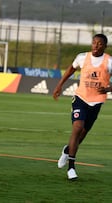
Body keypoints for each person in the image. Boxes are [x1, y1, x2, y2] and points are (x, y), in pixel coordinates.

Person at [53, 33, 112, 180]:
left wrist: (108, 89)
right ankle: (71, 168)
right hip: (81, 98)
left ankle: (67, 150)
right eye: (94, 43)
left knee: (82, 135)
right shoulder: (82, 57)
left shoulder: (109, 61)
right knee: (77, 128)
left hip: (96, 101)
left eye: (99, 44)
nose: (95, 46)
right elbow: (70, 70)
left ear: (105, 46)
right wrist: (59, 85)